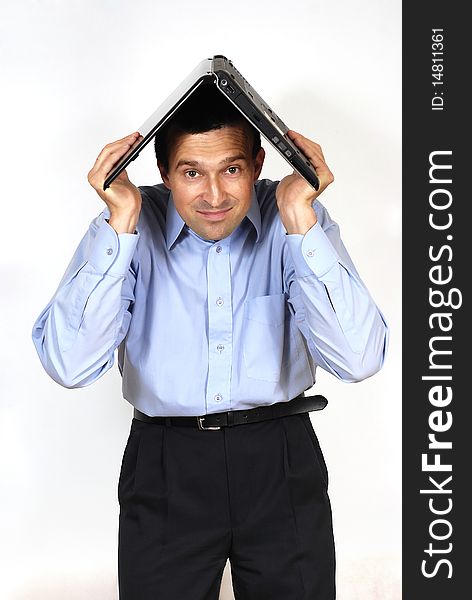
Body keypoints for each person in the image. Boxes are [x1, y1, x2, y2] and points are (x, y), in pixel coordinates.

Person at [32, 83, 388, 600]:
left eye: (232, 169)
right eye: (192, 172)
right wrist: (120, 221)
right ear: (164, 172)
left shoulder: (296, 221)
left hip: (280, 459)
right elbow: (68, 365)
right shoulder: (126, 227)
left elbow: (359, 359)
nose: (214, 195)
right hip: (165, 465)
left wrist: (300, 219)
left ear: (259, 163)